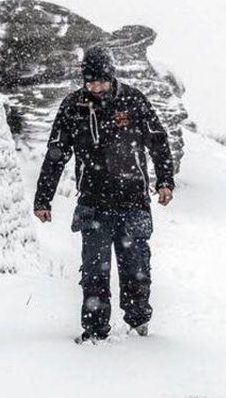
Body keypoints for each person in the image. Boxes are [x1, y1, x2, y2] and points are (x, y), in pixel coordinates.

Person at [33, 45, 175, 343]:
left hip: (133, 202)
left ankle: (138, 323)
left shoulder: (133, 101)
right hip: (93, 206)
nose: (96, 87)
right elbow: (56, 154)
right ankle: (95, 331)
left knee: (136, 270)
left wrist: (165, 181)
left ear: (112, 76)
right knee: (94, 273)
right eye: (90, 81)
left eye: (101, 80)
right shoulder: (73, 106)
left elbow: (159, 143)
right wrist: (43, 198)